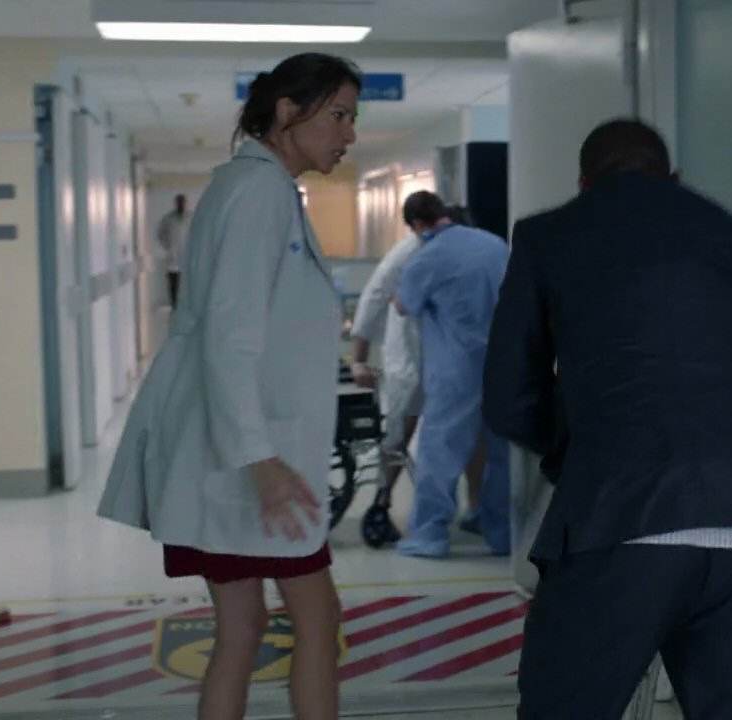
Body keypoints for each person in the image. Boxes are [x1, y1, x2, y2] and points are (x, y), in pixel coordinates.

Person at [483, 119, 732, 719]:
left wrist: (581, 455)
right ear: (674, 177)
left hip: (621, 523)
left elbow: (509, 395)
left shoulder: (549, 235)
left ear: (585, 183)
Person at [97, 53, 362, 720]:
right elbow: (231, 333)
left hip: (229, 448)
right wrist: (259, 458)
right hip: (250, 457)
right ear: (286, 111)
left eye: (351, 118)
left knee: (241, 629)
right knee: (316, 619)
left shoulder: (252, 187)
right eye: (337, 115)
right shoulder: (260, 192)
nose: (349, 134)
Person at [392, 191, 512, 559]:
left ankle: (430, 533)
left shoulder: (427, 257)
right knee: (502, 454)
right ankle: (502, 532)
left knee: (440, 450)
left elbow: (403, 305)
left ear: (416, 224)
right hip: (504, 365)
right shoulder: (495, 245)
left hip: (456, 371)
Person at [348, 230, 424, 544]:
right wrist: (358, 359)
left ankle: (473, 508)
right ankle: (381, 502)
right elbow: (374, 296)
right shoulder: (407, 252)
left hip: (443, 357)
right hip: (410, 356)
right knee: (399, 434)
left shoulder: (452, 248)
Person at [157, 194, 191, 307]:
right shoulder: (168, 219)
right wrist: (168, 246)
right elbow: (161, 235)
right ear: (176, 203)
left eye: (183, 202)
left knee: (187, 286)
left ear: (186, 203)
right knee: (174, 285)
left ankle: (185, 306)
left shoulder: (191, 218)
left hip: (187, 258)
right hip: (173, 259)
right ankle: (174, 306)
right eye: (179, 202)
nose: (181, 204)